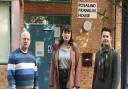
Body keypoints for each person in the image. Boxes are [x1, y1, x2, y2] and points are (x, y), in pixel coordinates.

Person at [49, 25, 81, 89]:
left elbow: (78, 67)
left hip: (70, 77)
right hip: (58, 76)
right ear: (62, 34)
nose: (66, 35)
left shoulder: (74, 49)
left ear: (70, 35)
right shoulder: (57, 48)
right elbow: (52, 66)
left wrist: (76, 85)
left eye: (68, 33)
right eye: (65, 32)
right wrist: (51, 83)